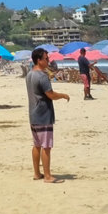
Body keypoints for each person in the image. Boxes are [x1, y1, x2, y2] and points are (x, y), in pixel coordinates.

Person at [27, 48, 70, 183]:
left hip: (33, 114)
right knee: (46, 146)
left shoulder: (29, 74)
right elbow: (50, 94)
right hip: (43, 115)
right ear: (39, 60)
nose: (48, 60)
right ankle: (47, 176)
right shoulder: (42, 76)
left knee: (37, 145)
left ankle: (37, 173)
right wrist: (63, 95)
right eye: (46, 58)